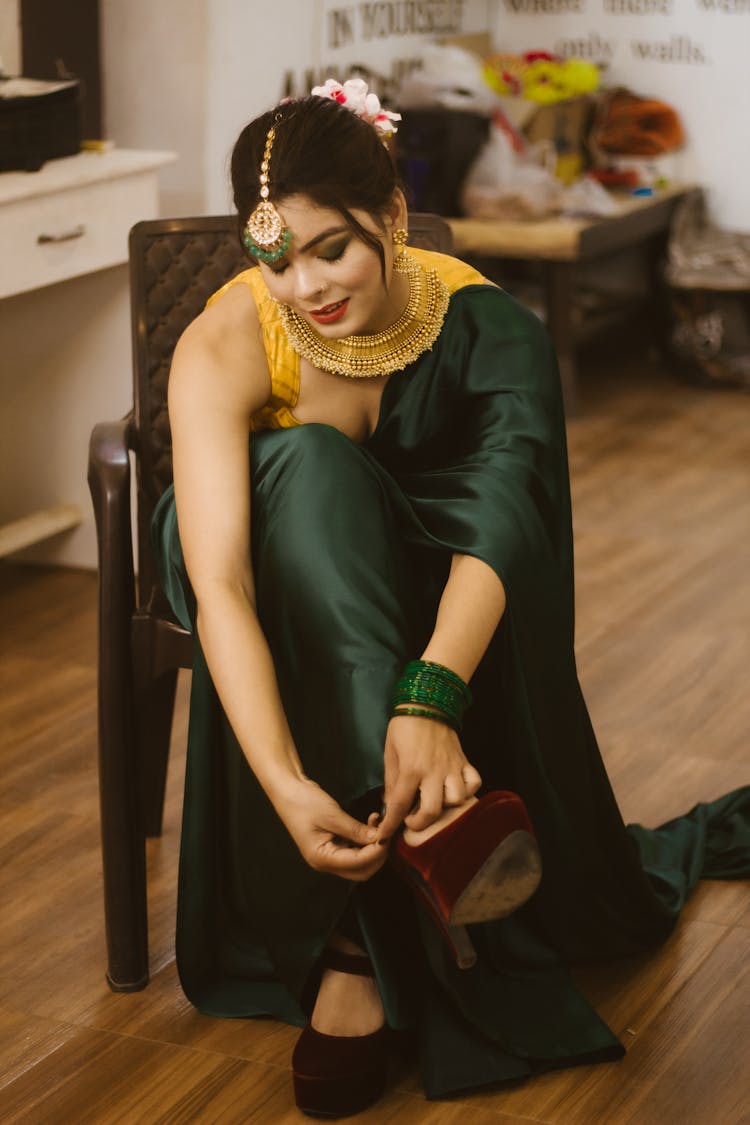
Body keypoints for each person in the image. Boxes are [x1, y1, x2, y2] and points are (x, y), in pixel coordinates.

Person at [152, 80, 750, 1118]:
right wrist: (288, 785)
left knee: (368, 513)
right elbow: (222, 582)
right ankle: (415, 885)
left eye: (329, 249)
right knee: (309, 470)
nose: (303, 287)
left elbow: (504, 531)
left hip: (425, 584)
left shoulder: (489, 329)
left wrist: (428, 700)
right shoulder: (226, 344)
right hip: (259, 561)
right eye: (275, 260)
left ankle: (354, 943)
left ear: (390, 213)